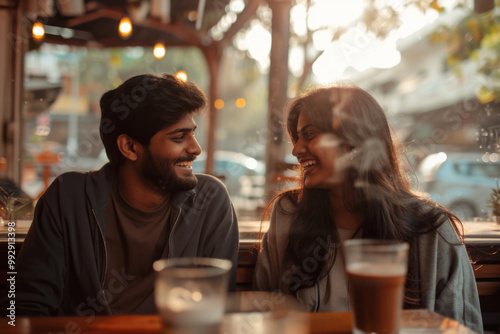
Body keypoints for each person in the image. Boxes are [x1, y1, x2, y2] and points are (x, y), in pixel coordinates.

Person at [1, 73, 239, 316]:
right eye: (179, 137)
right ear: (129, 147)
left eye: (193, 134)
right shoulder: (68, 198)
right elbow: (25, 308)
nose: (196, 148)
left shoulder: (209, 200)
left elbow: (215, 310)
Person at [252, 85, 483, 332]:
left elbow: (461, 327)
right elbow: (262, 316)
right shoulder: (287, 214)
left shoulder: (430, 230)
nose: (296, 149)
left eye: (309, 134)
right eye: (297, 137)